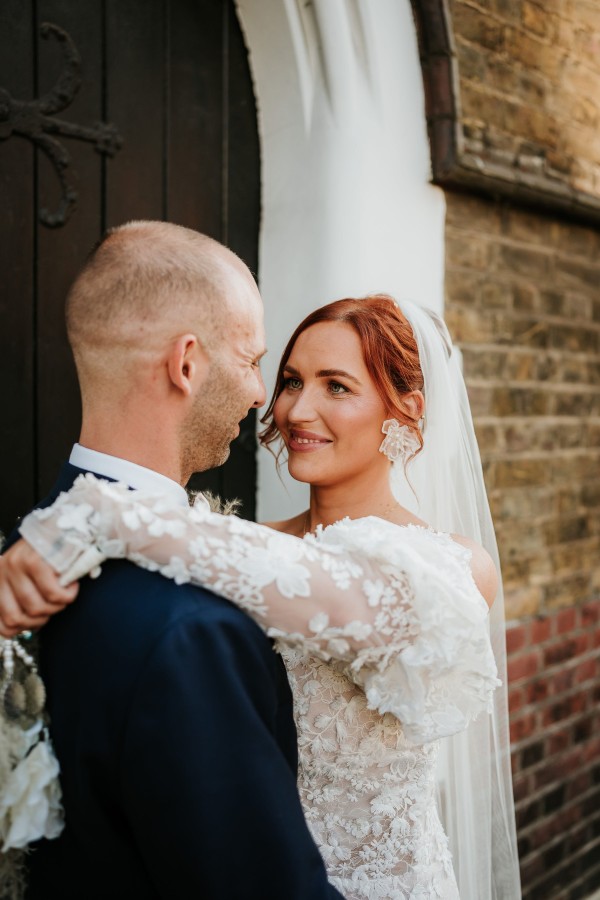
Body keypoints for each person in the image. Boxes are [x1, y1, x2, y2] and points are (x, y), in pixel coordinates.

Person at [0, 288, 521, 897]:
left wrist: (102, 514)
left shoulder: (450, 566)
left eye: (337, 386)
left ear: (404, 412)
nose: (297, 410)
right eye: (292, 381)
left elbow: (346, 599)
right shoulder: (238, 543)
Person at [0, 221, 347, 899]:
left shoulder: (15, 552)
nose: (258, 395)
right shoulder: (192, 629)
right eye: (252, 361)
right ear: (187, 363)